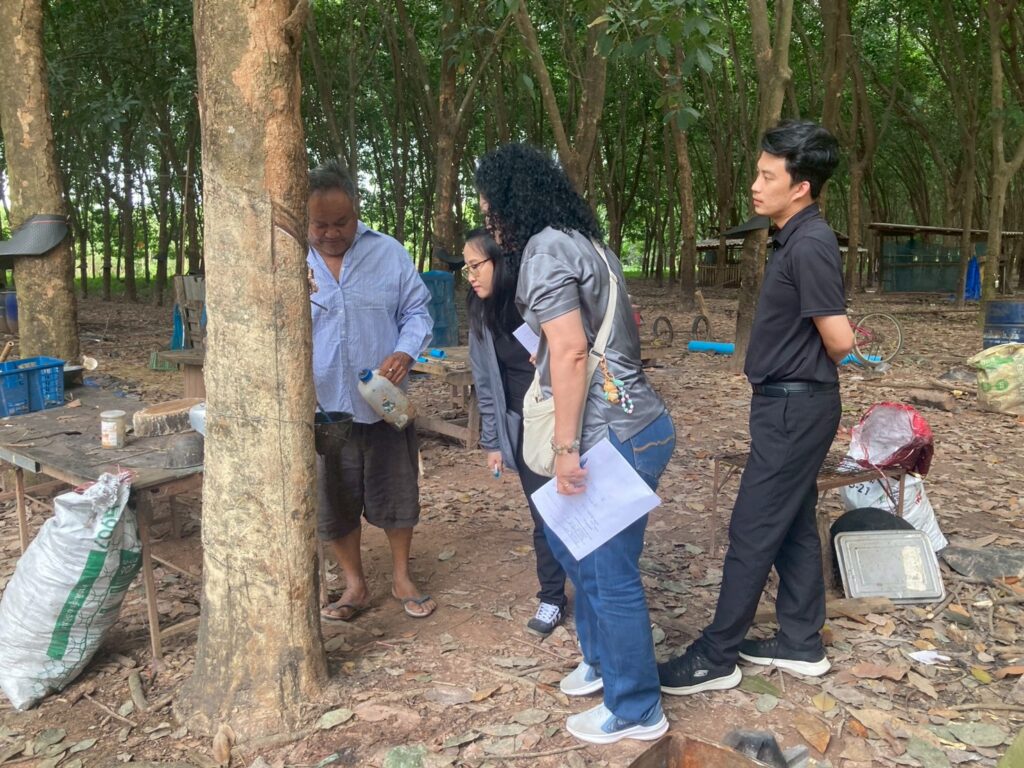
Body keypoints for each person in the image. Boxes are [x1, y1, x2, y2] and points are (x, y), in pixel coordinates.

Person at [475, 144, 676, 745]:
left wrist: (565, 451)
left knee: (608, 573)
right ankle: (601, 662)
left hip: (609, 434)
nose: (489, 222)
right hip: (638, 423)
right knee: (576, 551)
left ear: (511, 200)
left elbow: (568, 350)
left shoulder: (543, 250)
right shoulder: (588, 243)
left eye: (489, 210)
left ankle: (636, 707)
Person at [658, 120, 853, 695]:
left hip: (796, 407)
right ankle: (800, 641)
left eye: (768, 176)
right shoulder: (793, 238)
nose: (755, 184)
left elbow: (840, 341)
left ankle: (716, 655)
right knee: (791, 522)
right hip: (787, 404)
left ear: (801, 186)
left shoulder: (811, 244)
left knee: (752, 528)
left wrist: (800, 365)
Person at [307, 159, 437, 621]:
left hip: (384, 401)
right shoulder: (287, 259)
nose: (330, 233)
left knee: (397, 491)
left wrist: (405, 351)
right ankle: (355, 586)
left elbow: (417, 312)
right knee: (335, 499)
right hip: (323, 406)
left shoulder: (389, 253)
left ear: (356, 212)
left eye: (340, 222)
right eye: (320, 224)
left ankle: (402, 577)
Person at [464, 228, 569, 636]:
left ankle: (598, 588)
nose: (471, 276)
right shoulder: (481, 315)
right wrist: (492, 441)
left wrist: (548, 352)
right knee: (544, 514)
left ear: (500, 262)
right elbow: (485, 383)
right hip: (525, 426)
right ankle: (552, 597)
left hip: (565, 418)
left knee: (580, 507)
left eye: (476, 266)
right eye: (466, 269)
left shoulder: (534, 301)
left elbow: (576, 350)